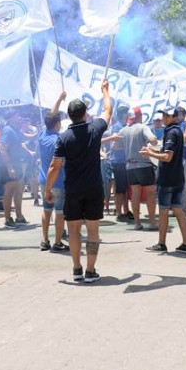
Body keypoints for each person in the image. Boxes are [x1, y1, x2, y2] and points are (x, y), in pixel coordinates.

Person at [44, 81, 112, 283]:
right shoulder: (95, 128)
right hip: (93, 188)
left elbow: (54, 166)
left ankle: (76, 269)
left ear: (69, 116)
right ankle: (90, 270)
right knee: (93, 230)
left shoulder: (63, 138)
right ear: (85, 114)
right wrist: (105, 91)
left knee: (73, 230)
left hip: (72, 189)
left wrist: (48, 189)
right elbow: (108, 110)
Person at [140, 106, 186, 254]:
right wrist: (153, 152)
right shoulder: (177, 131)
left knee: (163, 211)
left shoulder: (171, 132)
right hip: (177, 177)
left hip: (168, 178)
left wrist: (151, 153)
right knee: (178, 209)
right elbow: (167, 153)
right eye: (164, 115)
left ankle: (162, 243)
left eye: (167, 116)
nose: (164, 118)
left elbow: (167, 157)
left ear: (175, 118)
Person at [39, 92, 68, 252]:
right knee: (60, 212)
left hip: (44, 180)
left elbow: (51, 115)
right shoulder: (60, 140)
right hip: (58, 180)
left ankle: (44, 240)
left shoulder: (43, 135)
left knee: (46, 210)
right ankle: (57, 242)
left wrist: (58, 99)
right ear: (57, 123)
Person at [121, 107, 159, 231]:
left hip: (130, 166)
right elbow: (153, 140)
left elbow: (115, 145)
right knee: (150, 194)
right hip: (144, 165)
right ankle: (152, 222)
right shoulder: (143, 127)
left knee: (135, 194)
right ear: (139, 116)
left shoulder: (124, 130)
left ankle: (137, 222)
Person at [0, 110, 28, 227]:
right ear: (11, 118)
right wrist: (9, 167)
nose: (19, 117)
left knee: (19, 191)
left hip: (17, 165)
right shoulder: (7, 130)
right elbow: (2, 149)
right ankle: (7, 219)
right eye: (17, 116)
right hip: (9, 166)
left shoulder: (15, 129)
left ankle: (19, 216)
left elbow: (26, 137)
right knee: (9, 193)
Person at [102, 105, 130, 220]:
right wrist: (127, 147)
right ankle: (119, 212)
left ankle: (126, 210)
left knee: (125, 188)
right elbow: (114, 146)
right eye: (127, 113)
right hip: (118, 161)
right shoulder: (117, 127)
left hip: (124, 161)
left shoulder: (125, 126)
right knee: (119, 189)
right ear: (123, 114)